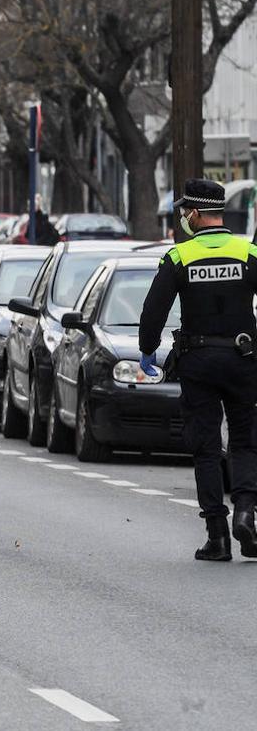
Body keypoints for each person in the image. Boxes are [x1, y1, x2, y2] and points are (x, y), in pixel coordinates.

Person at [139, 178, 257, 562]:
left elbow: (154, 310)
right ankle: (246, 512)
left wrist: (147, 350)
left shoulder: (179, 257)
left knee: (206, 447)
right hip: (243, 359)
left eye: (184, 212)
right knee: (245, 441)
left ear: (194, 212)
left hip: (199, 362)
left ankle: (217, 536)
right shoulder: (249, 252)